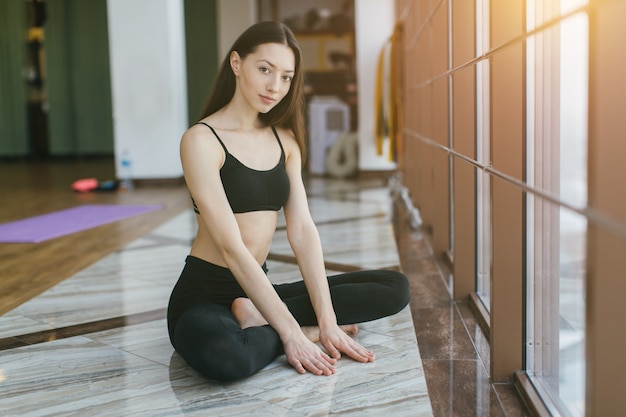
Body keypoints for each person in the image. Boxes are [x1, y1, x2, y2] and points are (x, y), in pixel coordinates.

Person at [166, 21, 410, 382]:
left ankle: (258, 314)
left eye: (285, 76)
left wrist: (327, 322)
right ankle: (281, 325)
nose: (274, 86)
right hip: (205, 295)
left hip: (258, 290)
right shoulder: (201, 141)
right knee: (228, 357)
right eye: (264, 69)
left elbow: (302, 231)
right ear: (236, 63)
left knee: (395, 287)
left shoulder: (285, 142)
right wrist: (294, 334)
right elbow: (232, 249)